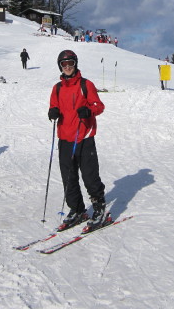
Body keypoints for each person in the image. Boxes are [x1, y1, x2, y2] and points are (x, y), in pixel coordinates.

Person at [48, 49, 108, 231]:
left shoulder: (86, 85)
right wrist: (52, 112)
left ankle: (99, 209)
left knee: (90, 176)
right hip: (65, 138)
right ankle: (77, 209)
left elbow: (99, 105)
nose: (67, 67)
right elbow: (54, 105)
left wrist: (89, 111)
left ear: (75, 64)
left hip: (84, 136)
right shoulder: (57, 88)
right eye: (64, 64)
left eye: (70, 64)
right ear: (60, 66)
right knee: (69, 177)